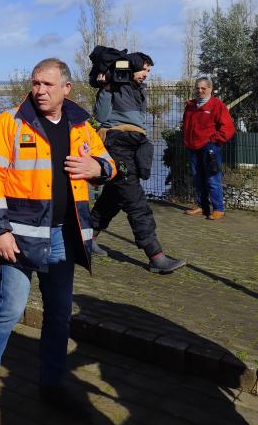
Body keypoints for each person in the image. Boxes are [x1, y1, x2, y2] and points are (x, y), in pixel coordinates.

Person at [0, 58, 115, 418]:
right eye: (36, 83)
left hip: (65, 235)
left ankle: (52, 384)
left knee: (59, 314)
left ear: (67, 88)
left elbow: (109, 165)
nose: (40, 90)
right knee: (10, 309)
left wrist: (98, 168)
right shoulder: (11, 122)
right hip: (18, 237)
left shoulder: (81, 126)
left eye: (48, 84)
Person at [89, 51, 187, 273]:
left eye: (149, 70)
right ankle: (156, 256)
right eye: (144, 69)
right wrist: (106, 88)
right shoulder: (113, 86)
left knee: (113, 198)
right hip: (117, 146)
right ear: (131, 67)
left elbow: (139, 121)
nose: (146, 74)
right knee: (135, 201)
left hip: (135, 145)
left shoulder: (138, 89)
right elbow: (100, 117)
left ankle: (87, 237)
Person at [181, 76, 235, 219]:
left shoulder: (217, 105)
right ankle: (202, 206)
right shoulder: (191, 106)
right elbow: (185, 125)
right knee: (198, 178)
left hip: (210, 148)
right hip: (193, 147)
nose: (200, 91)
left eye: (203, 88)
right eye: (197, 88)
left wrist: (213, 140)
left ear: (210, 89)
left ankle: (218, 209)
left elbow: (228, 129)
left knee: (212, 178)